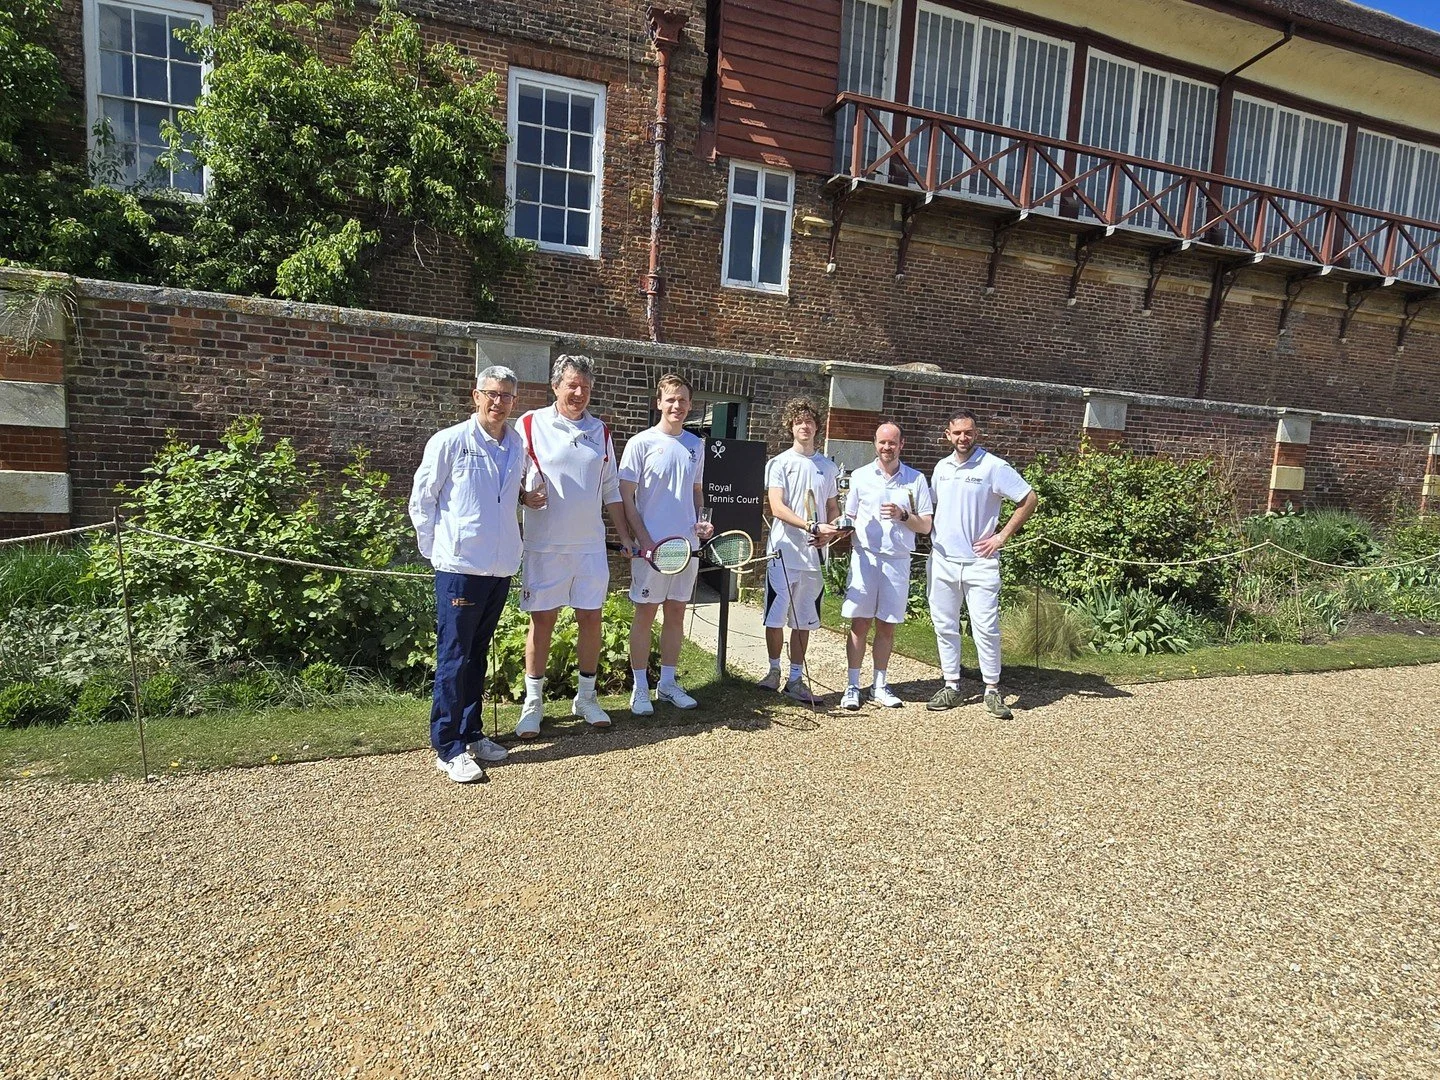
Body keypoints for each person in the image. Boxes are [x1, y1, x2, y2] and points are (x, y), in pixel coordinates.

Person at [408, 365, 526, 783]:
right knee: (454, 656)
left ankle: (472, 734)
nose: (498, 402)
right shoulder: (450, 441)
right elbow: (422, 499)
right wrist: (438, 550)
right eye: (491, 394)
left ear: (515, 401)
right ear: (475, 396)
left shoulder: (517, 445)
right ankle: (446, 745)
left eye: (506, 396)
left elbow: (516, 496)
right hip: (460, 566)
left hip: (499, 567)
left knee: (478, 654)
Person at [515, 355, 638, 738]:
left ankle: (586, 698)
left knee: (590, 619)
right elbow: (508, 479)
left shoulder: (601, 431)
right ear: (556, 386)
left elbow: (611, 489)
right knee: (543, 621)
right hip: (543, 546)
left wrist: (627, 537)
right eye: (572, 384)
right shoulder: (529, 424)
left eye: (585, 386)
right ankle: (532, 704)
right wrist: (522, 496)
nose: (579, 392)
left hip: (589, 548)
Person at [926, 409, 1038, 718]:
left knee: (986, 628)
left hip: (980, 562)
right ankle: (951, 685)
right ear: (948, 435)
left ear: (977, 434)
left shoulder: (993, 466)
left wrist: (1001, 536)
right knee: (945, 625)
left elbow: (1029, 499)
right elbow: (932, 508)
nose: (963, 438)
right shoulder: (941, 467)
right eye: (957, 433)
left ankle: (991, 689)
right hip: (943, 561)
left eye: (968, 432)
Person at [619, 373, 714, 715]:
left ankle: (668, 684)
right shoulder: (640, 442)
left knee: (676, 613)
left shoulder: (696, 445)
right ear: (659, 402)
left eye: (683, 400)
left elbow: (695, 491)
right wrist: (643, 540)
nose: (677, 406)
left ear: (690, 405)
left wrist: (701, 523)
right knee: (645, 615)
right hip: (651, 550)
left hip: (686, 547)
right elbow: (625, 497)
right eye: (671, 399)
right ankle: (640, 688)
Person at [840, 422, 934, 710]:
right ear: (875, 444)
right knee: (860, 623)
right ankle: (853, 685)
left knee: (887, 624)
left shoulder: (915, 479)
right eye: (882, 442)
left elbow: (926, 525)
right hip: (866, 557)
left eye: (892, 443)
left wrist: (904, 515)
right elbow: (848, 516)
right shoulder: (860, 476)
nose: (886, 448)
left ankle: (879, 685)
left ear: (901, 444)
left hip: (897, 559)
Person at [760, 397, 842, 703]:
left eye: (809, 421)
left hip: (813, 555)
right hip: (782, 552)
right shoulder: (779, 463)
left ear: (817, 427)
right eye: (798, 422)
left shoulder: (828, 467)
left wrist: (827, 534)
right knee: (775, 617)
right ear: (790, 427)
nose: (804, 426)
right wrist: (809, 527)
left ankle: (796, 678)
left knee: (804, 619)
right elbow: (777, 506)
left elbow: (833, 508)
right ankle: (772, 671)